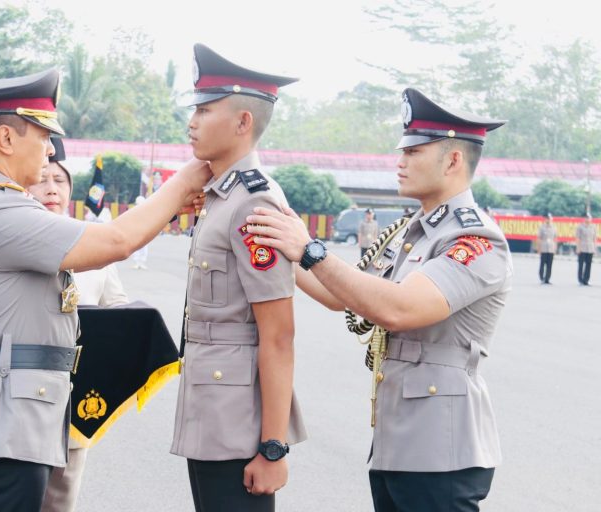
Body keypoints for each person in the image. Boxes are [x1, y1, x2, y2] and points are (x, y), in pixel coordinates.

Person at [0, 68, 210, 512]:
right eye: (42, 136)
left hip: (5, 424)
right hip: (4, 430)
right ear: (5, 138)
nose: (48, 152)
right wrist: (183, 183)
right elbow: (114, 242)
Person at [246, 87, 510, 511]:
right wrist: (276, 240)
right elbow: (341, 294)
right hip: (399, 446)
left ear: (454, 160)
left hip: (442, 452)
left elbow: (398, 308)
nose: (400, 162)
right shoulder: (412, 232)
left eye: (414, 152)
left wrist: (311, 250)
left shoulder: (474, 237)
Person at [0, 138, 129, 512]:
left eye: (61, 181)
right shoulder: (1, 224)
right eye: (44, 178)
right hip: (15, 396)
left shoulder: (91, 246)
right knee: (9, 495)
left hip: (71, 396)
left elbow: (119, 310)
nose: (52, 187)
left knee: (59, 500)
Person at [170, 43, 307, 512]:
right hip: (211, 412)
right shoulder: (219, 197)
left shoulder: (252, 201)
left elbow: (278, 335)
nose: (192, 122)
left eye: (205, 110)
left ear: (243, 122)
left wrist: (273, 447)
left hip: (238, 426)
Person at [576, 214, 597, 285]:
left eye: (589, 218)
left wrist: (594, 248)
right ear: (584, 219)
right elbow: (578, 238)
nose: (588, 219)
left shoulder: (593, 227)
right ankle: (580, 279)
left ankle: (586, 280)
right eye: (586, 218)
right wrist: (578, 248)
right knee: (581, 264)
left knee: (588, 265)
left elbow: (594, 238)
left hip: (590, 248)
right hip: (582, 247)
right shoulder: (580, 227)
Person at [537, 213, 557, 284]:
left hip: (551, 248)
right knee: (542, 263)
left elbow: (555, 239)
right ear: (545, 219)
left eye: (550, 218)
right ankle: (542, 277)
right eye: (547, 218)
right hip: (544, 247)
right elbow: (539, 238)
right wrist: (539, 248)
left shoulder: (554, 228)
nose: (548, 220)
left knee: (549, 264)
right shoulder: (542, 227)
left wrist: (555, 249)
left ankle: (547, 278)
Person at [131, 195, 149, 269]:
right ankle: (137, 262)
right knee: (136, 247)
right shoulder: (133, 211)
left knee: (144, 248)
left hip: (144, 232)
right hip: (136, 231)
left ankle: (142, 262)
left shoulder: (147, 212)